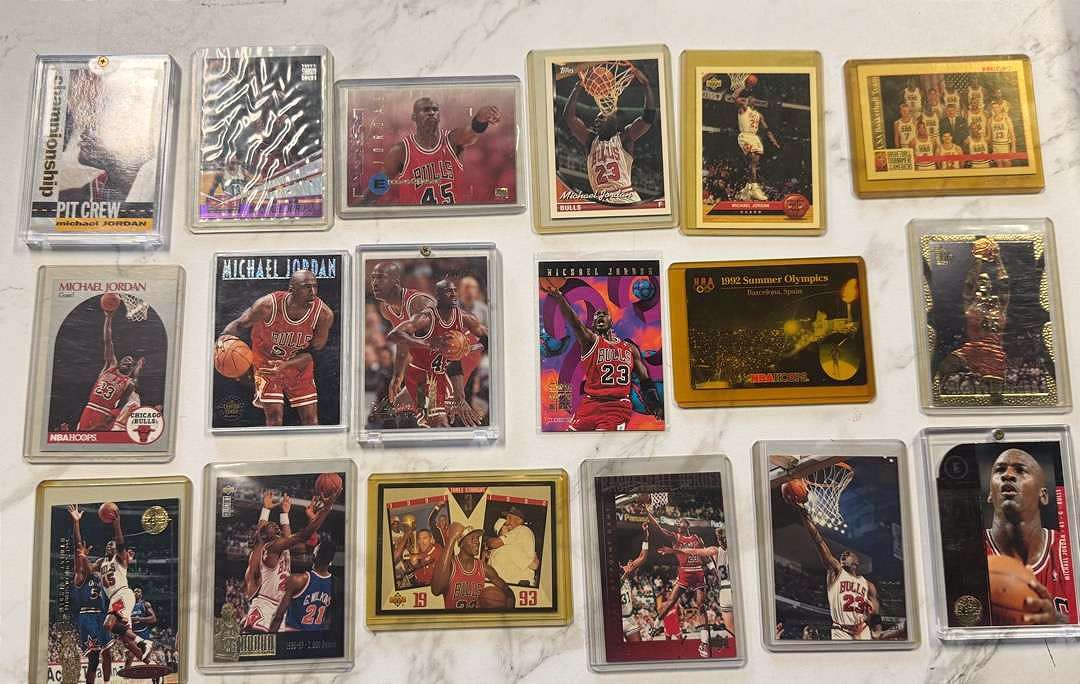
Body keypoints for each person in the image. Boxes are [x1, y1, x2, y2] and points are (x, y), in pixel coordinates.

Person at [217, 270, 334, 426]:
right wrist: (222, 340)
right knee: (274, 417)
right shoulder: (267, 306)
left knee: (310, 420)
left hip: (298, 364)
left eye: (315, 286)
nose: (312, 291)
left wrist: (286, 364)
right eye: (306, 287)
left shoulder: (323, 315)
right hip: (267, 363)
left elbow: (313, 354)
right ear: (292, 289)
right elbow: (239, 324)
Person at [540, 281, 662, 430]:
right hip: (590, 404)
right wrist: (560, 298)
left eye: (603, 315)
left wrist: (656, 406)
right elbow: (575, 323)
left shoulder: (630, 348)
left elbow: (645, 381)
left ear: (611, 321)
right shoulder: (590, 341)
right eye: (597, 316)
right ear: (593, 324)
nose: (600, 317)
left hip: (616, 407)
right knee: (569, 438)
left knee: (605, 441)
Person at [984, 448, 1075, 624]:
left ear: (1043, 495)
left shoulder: (1070, 551)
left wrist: (1056, 623)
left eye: (1020, 470)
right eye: (1000, 470)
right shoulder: (968, 553)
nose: (1008, 475)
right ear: (990, 495)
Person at [359, 97, 502, 205]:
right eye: (426, 110)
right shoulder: (401, 151)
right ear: (414, 117)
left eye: (435, 110)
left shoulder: (452, 139)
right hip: (414, 223)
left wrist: (480, 119)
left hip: (449, 220)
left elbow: (471, 132)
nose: (431, 113)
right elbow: (376, 189)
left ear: (439, 116)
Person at [387, 278, 488, 428]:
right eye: (448, 292)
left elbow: (488, 337)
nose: (453, 295)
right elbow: (394, 335)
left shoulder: (465, 317)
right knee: (401, 404)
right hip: (431, 371)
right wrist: (426, 343)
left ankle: (442, 426)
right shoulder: (426, 318)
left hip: (451, 371)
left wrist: (474, 347)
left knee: (436, 417)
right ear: (438, 296)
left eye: (454, 291)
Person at [242, 489, 338, 633]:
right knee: (258, 646)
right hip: (265, 607)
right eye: (270, 525)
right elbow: (302, 536)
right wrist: (325, 509)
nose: (275, 525)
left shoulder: (279, 547)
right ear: (266, 536)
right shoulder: (271, 547)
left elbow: (310, 544)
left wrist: (282, 513)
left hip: (278, 608)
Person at [563, 64, 655, 205]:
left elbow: (648, 119)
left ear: (614, 121)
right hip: (603, 201)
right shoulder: (590, 141)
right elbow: (569, 118)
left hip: (626, 199)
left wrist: (646, 85)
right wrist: (577, 88)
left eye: (602, 117)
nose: (597, 120)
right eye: (597, 119)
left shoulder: (624, 138)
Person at [789, 501, 878, 640]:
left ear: (857, 562)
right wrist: (805, 516)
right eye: (842, 555)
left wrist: (875, 626)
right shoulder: (836, 571)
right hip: (841, 630)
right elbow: (819, 541)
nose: (843, 555)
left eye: (847, 554)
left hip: (862, 629)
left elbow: (876, 614)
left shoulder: (869, 586)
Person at [938, 237, 1009, 402]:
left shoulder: (1000, 304)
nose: (982, 282)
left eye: (986, 280)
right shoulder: (971, 302)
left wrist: (998, 259)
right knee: (945, 366)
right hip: (972, 348)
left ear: (990, 285)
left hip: (994, 352)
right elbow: (969, 282)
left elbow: (1005, 284)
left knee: (996, 398)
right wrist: (979, 258)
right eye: (980, 280)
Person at [368, 261, 437, 419]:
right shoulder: (386, 308)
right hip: (431, 361)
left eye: (380, 277)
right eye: (373, 278)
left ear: (395, 281)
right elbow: (403, 341)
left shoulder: (417, 302)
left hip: (454, 356)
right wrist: (397, 376)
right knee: (402, 406)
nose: (374, 283)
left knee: (428, 412)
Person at [648, 512, 712, 657]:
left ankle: (704, 643)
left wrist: (714, 571)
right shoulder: (675, 537)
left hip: (698, 572)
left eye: (679, 521)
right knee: (670, 602)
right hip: (684, 573)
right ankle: (655, 625)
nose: (677, 523)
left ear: (687, 524)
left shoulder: (697, 538)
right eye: (676, 523)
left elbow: (706, 557)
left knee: (701, 607)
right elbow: (659, 529)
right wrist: (648, 514)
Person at [77, 307, 143, 432]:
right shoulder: (110, 366)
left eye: (130, 362)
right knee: (82, 437)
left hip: (105, 414)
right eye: (125, 359)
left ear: (132, 368)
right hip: (90, 408)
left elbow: (122, 403)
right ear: (120, 362)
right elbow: (108, 341)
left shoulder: (128, 383)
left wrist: (110, 419)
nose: (127, 362)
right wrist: (108, 318)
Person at [68, 505, 110, 684]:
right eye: (90, 560)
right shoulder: (81, 576)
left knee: (106, 655)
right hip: (88, 617)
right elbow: (78, 548)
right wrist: (76, 523)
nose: (95, 562)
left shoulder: (100, 577)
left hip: (101, 616)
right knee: (93, 660)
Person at [431, 526, 514, 609]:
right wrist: (451, 539)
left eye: (477, 538)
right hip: (454, 617)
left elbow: (507, 591)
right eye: (472, 538)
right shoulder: (450, 565)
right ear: (461, 543)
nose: (477, 541)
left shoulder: (484, 568)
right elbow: (436, 590)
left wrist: (508, 607)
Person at [272, 538, 337, 632]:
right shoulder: (335, 583)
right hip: (316, 636)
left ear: (313, 556)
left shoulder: (298, 580)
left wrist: (272, 636)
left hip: (293, 634)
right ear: (331, 560)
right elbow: (330, 618)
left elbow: (279, 616)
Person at [732, 80, 781, 201]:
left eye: (753, 98)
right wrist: (743, 87)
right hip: (745, 136)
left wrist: (773, 141)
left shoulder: (759, 115)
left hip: (755, 138)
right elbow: (734, 97)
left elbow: (767, 129)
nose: (751, 99)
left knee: (754, 163)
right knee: (753, 159)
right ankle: (754, 188)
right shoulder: (743, 109)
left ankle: (747, 189)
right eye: (749, 98)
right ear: (746, 101)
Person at [486, 506, 539, 586]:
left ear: (519, 520)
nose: (507, 521)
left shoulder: (521, 530)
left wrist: (488, 541)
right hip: (505, 584)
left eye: (509, 518)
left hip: (518, 584)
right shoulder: (509, 543)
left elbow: (534, 565)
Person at [618, 523, 650, 642]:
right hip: (614, 620)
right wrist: (625, 576)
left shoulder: (625, 570)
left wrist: (646, 537)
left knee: (638, 649)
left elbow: (642, 557)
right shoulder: (605, 576)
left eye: (619, 564)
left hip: (629, 618)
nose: (620, 565)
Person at [988, 99, 1016, 167]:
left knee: (1007, 163)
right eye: (993, 108)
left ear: (1000, 108)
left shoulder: (1006, 118)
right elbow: (989, 137)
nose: (995, 109)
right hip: (995, 145)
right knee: (999, 165)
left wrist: (1013, 147)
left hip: (1005, 145)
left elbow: (1012, 134)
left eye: (997, 107)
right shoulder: (990, 120)